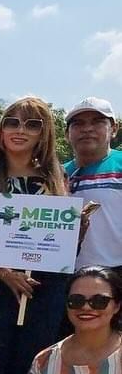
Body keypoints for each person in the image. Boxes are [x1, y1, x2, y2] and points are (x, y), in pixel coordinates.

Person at [0, 97, 70, 374]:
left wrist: (76, 226)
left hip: (46, 284)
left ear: (44, 134)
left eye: (32, 124)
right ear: (1, 130)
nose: (20, 130)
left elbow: (64, 241)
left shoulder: (56, 178)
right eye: (12, 122)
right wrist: (0, 271)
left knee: (36, 359)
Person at [65, 97, 122, 271]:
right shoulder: (55, 175)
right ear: (67, 134)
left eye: (97, 122)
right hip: (66, 278)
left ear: (114, 129)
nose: (87, 129)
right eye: (78, 124)